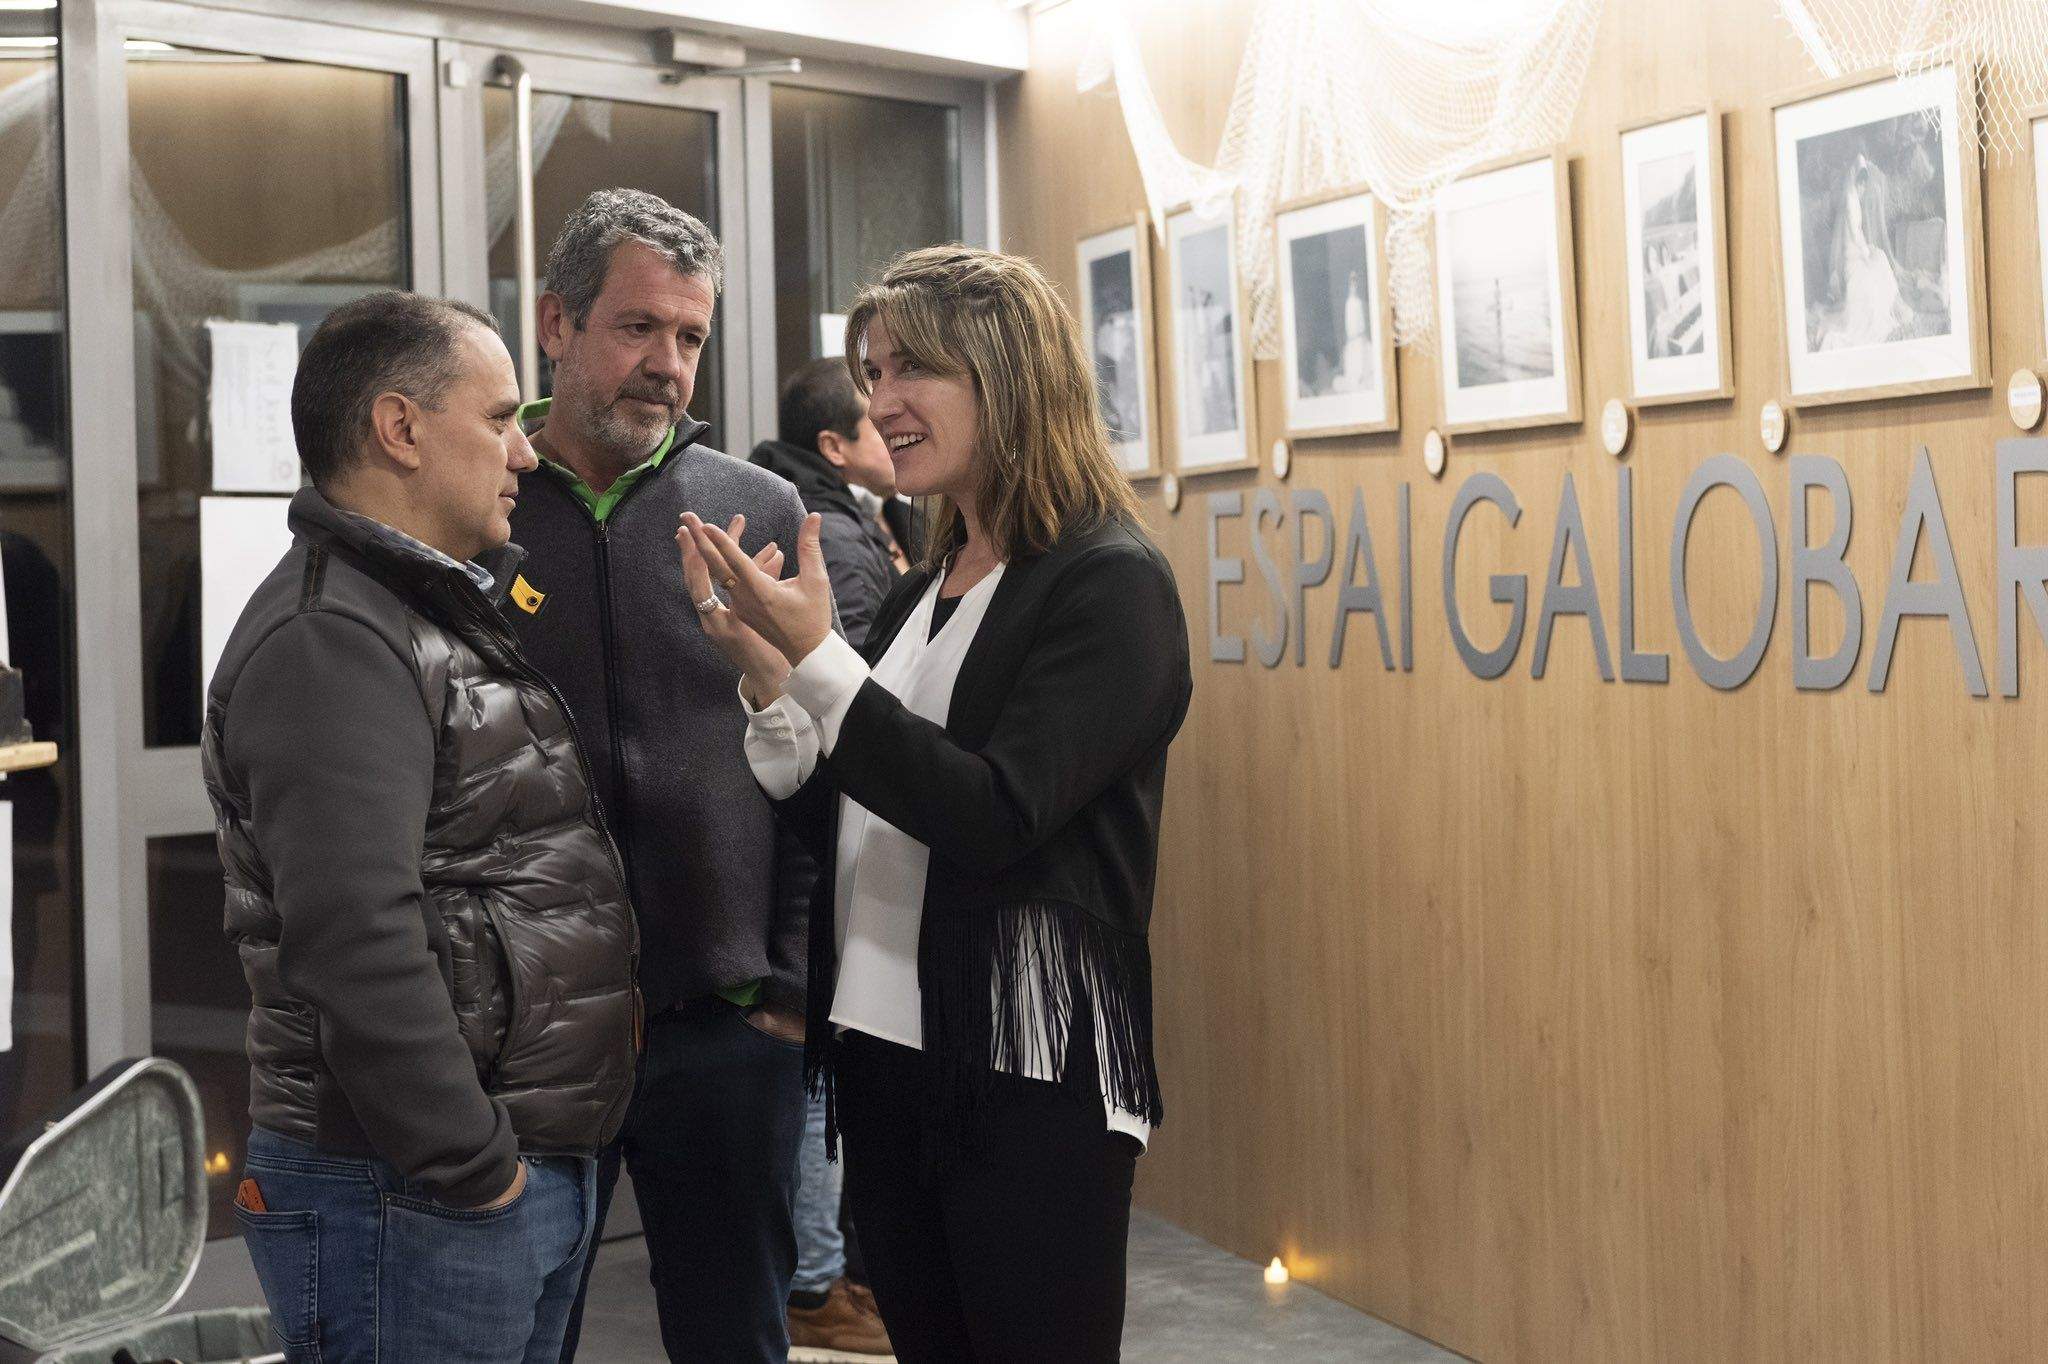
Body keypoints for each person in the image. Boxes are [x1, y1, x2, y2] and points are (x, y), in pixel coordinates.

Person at [681, 245, 1194, 1363]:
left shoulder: (1110, 582)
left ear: (1007, 375)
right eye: (870, 372)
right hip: (887, 1056)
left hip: (1024, 1071)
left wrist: (819, 658)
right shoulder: (925, 583)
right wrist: (778, 692)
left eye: (912, 367)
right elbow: (869, 818)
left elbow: (993, 813)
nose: (880, 402)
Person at [203, 291, 637, 1364]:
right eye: (497, 419)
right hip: (408, 1187)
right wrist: (473, 1161)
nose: (525, 454)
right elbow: (354, 938)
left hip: (465, 1178)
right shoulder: (330, 636)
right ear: (399, 428)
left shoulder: (414, 607)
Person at [503, 187, 815, 1364]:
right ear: (555, 322)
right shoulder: (476, 504)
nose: (667, 365)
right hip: (530, 1032)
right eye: (636, 327)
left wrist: (783, 985)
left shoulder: (757, 507)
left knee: (737, 1341)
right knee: (524, 1340)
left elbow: (811, 757)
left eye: (688, 337)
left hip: (724, 1028)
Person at [749, 358, 901, 1359]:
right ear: (837, 445)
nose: (897, 422)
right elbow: (857, 694)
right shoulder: (836, 538)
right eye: (875, 411)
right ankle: (814, 1281)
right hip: (819, 836)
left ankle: (816, 1272)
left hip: (800, 830)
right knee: (812, 1058)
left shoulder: (821, 513)